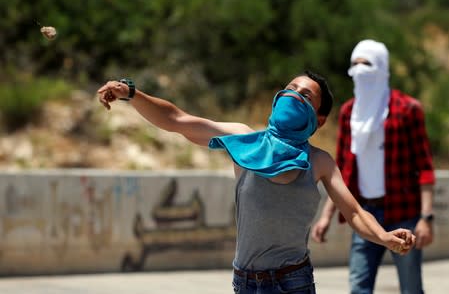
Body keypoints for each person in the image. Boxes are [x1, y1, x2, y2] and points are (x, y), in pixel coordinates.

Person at [97, 70, 416, 294]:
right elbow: (177, 121)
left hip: (294, 282)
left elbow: (355, 212)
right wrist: (132, 94)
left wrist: (385, 237)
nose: (294, 94)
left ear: (319, 120)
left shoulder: (319, 161)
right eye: (290, 88)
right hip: (246, 282)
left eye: (305, 95)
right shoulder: (243, 139)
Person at [311, 40, 435, 294]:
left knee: (411, 288)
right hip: (365, 213)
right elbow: (341, 170)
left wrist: (426, 218)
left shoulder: (407, 109)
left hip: (404, 213)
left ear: (382, 67)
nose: (359, 70)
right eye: (354, 64)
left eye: (366, 63)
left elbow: (424, 166)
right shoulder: (349, 113)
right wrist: (326, 216)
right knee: (359, 287)